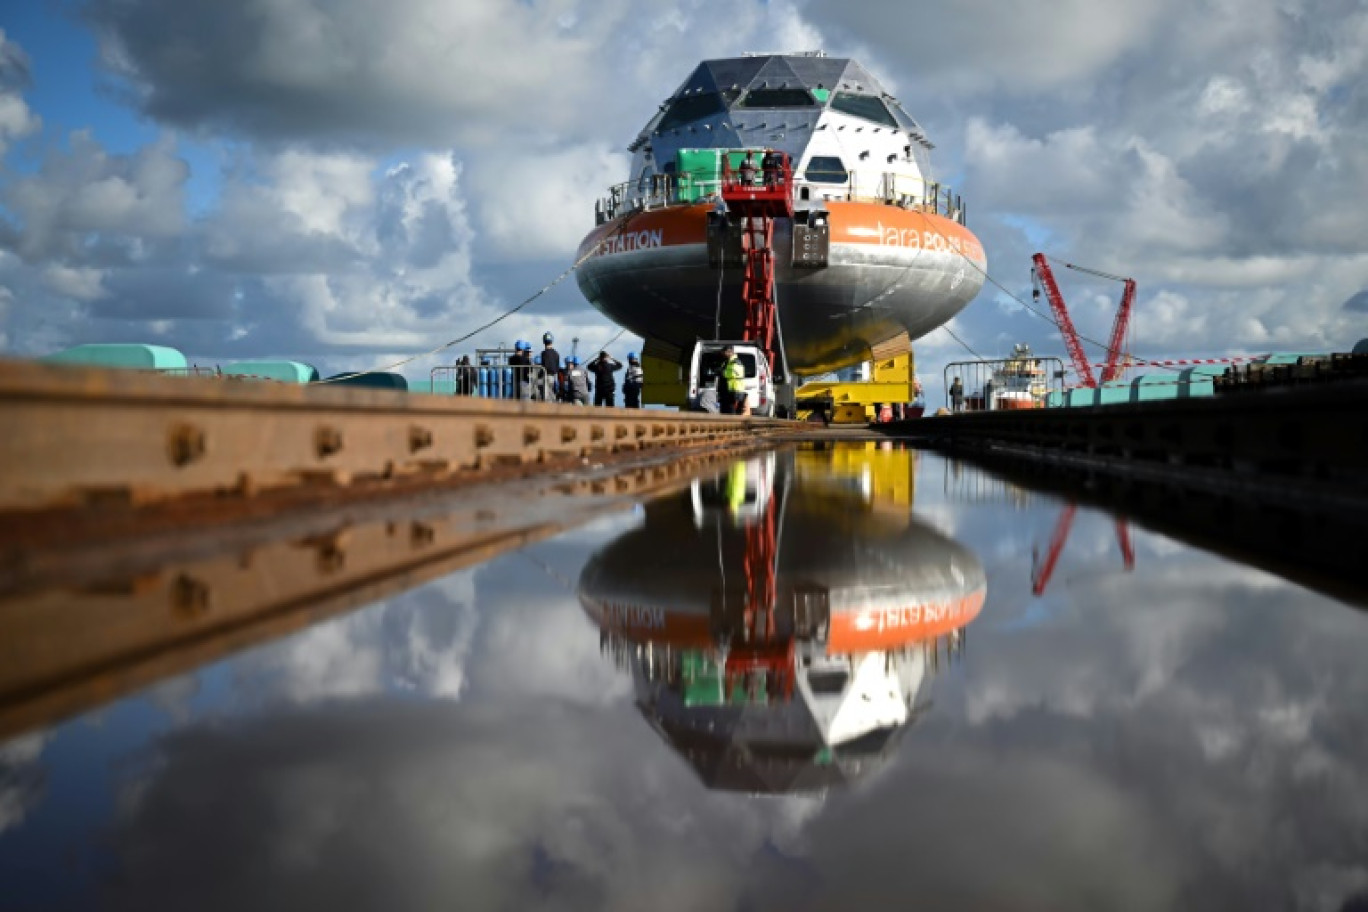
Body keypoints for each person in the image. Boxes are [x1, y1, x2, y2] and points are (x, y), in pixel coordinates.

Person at [720, 345, 747, 415]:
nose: (723, 354)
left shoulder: (736, 362)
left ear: (730, 352)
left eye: (725, 352)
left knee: (732, 410)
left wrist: (723, 373)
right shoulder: (728, 362)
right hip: (730, 389)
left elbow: (735, 373)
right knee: (727, 409)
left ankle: (734, 424)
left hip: (735, 389)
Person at [539, 332, 560, 402]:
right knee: (552, 395)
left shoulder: (543, 353)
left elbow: (543, 366)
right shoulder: (556, 354)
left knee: (546, 397)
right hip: (553, 377)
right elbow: (557, 368)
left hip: (546, 377)